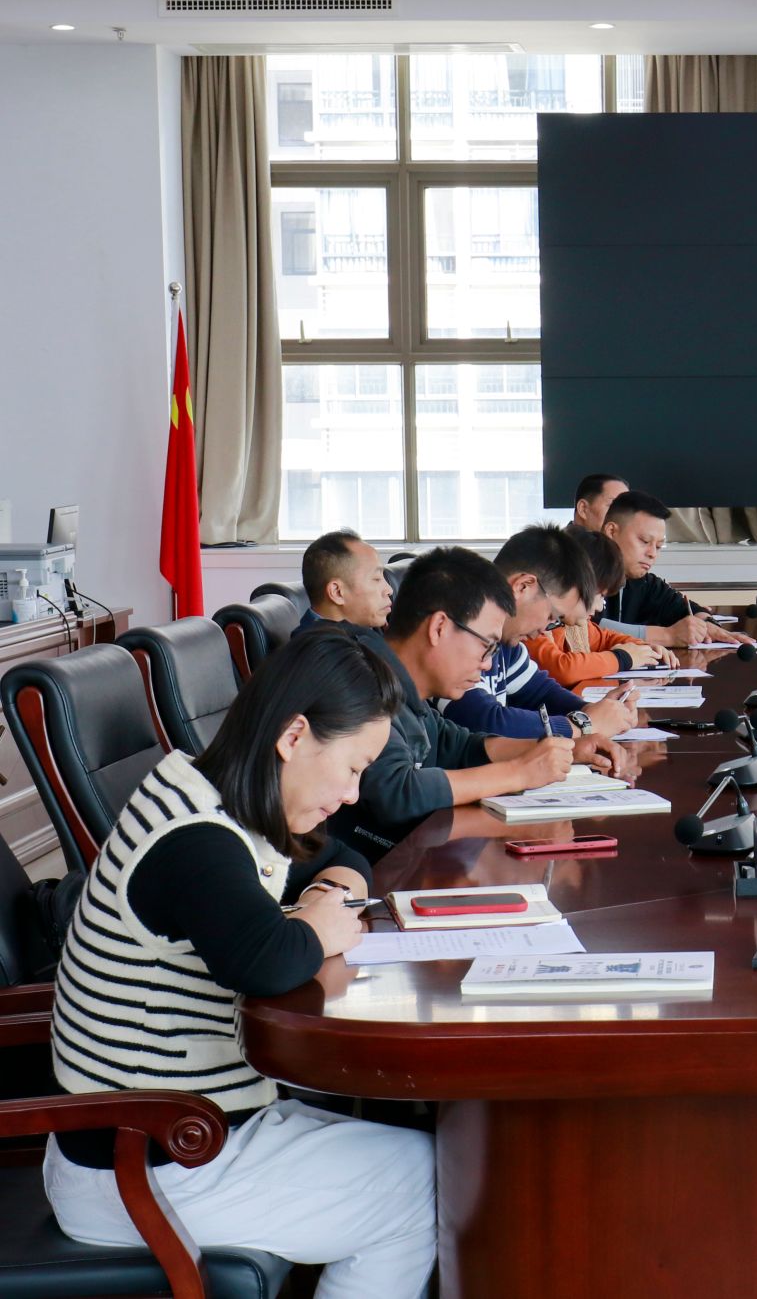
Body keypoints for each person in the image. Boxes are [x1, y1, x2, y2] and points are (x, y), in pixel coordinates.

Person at [43, 626, 436, 1297]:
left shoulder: (219, 795)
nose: (352, 794)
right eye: (352, 767)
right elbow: (264, 960)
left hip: (172, 1134)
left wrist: (327, 896)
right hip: (141, 1164)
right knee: (420, 1184)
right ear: (295, 736)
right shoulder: (196, 839)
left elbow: (343, 857)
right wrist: (315, 926)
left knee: (417, 1147)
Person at [329, 546, 591, 859]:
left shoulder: (401, 684)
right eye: (487, 646)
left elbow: (455, 746)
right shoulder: (360, 680)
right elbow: (397, 793)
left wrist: (557, 750)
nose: (487, 664)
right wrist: (519, 773)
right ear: (439, 627)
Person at [436, 524, 638, 743]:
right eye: (551, 616)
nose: (545, 630)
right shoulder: (457, 630)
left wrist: (594, 711)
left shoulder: (507, 642)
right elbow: (485, 722)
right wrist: (584, 724)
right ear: (523, 586)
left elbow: (539, 692)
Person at [526, 526, 674, 687]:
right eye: (600, 596)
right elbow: (562, 670)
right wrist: (622, 658)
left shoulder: (575, 625)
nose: (599, 607)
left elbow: (606, 638)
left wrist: (645, 650)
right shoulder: (534, 625)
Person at [598, 490, 748, 649]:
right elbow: (587, 630)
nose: (652, 554)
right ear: (611, 532)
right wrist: (667, 636)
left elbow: (682, 608)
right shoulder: (582, 572)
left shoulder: (641, 581)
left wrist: (706, 625)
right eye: (645, 541)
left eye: (658, 546)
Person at [295, 529, 392, 632]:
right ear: (337, 592)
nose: (389, 590)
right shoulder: (320, 641)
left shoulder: (367, 629)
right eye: (376, 579)